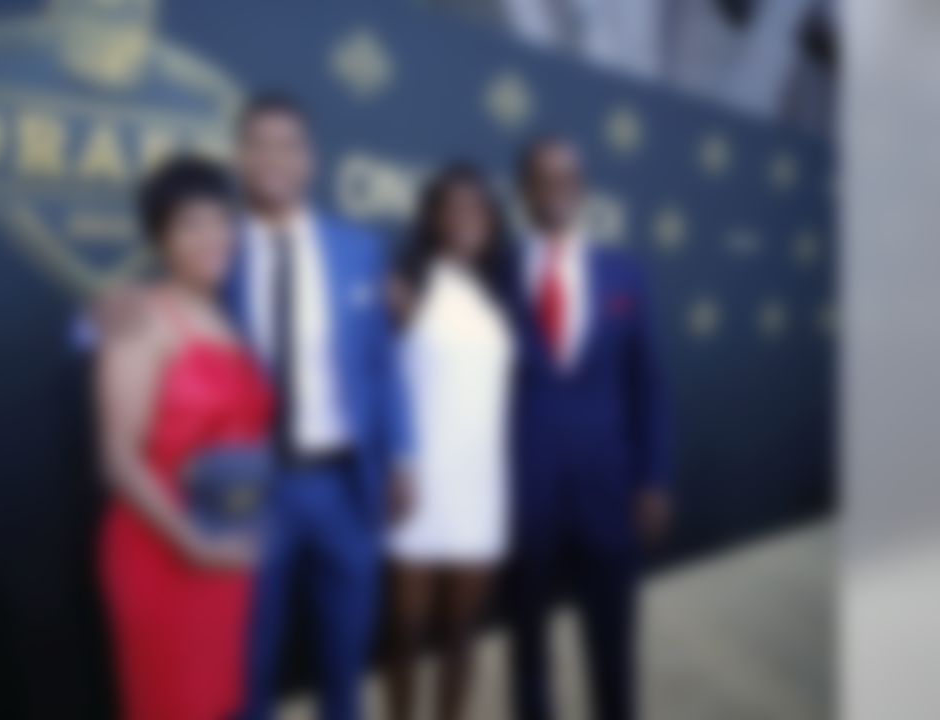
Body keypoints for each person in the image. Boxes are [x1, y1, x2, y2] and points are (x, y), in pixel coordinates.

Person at [229, 94, 413, 720]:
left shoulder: (359, 249)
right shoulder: (214, 251)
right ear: (239, 156)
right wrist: (97, 324)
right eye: (261, 142)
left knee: (345, 662)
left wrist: (404, 456)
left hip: (343, 486)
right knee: (247, 667)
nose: (276, 156)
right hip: (250, 490)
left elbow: (384, 366)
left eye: (290, 144)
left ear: (312, 160)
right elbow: (154, 317)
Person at [97, 158, 272, 720]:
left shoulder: (232, 320)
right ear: (159, 237)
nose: (212, 237)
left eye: (223, 221)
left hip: (229, 553)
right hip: (163, 551)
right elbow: (118, 459)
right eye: (191, 224)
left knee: (219, 701)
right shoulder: (141, 320)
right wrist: (188, 542)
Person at [505, 137, 672, 720]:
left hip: (610, 491)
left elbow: (647, 385)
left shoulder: (623, 272)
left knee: (613, 641)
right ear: (524, 190)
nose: (558, 187)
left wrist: (654, 477)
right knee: (527, 647)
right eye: (544, 177)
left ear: (584, 188)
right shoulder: (496, 272)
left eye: (569, 176)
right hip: (525, 495)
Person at [383, 164, 517, 720]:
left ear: (491, 219)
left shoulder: (504, 295)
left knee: (462, 632)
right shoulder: (401, 288)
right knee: (406, 632)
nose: (467, 216)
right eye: (454, 205)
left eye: (478, 206)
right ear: (433, 217)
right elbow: (373, 381)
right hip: (415, 483)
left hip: (480, 488)